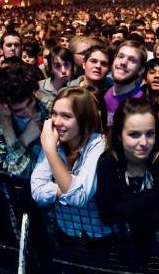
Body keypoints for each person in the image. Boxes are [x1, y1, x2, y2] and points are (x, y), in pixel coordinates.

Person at [95, 98, 159, 268]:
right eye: (134, 134)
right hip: (122, 253)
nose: (144, 143)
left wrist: (125, 204)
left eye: (150, 133)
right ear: (119, 135)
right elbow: (107, 215)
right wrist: (153, 198)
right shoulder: (109, 161)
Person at [31, 87, 113, 239]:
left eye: (66, 116)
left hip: (99, 235)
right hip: (66, 230)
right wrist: (66, 187)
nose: (56, 122)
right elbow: (36, 190)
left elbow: (78, 197)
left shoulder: (99, 144)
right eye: (54, 114)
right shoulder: (53, 141)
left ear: (84, 119)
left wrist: (50, 152)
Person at [0, 63, 47, 179]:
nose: (28, 112)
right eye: (18, 110)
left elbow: (38, 171)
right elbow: (5, 169)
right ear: (5, 106)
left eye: (30, 103)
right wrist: (8, 127)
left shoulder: (47, 107)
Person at [104, 41, 147, 126]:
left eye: (132, 60)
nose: (123, 62)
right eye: (120, 56)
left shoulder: (143, 105)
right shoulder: (103, 93)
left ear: (141, 70)